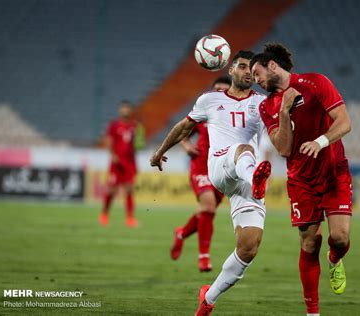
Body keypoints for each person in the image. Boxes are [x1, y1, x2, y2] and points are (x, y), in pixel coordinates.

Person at [150, 51, 271, 316]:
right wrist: (159, 152)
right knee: (242, 149)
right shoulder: (210, 100)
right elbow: (184, 127)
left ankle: (208, 299)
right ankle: (256, 178)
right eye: (241, 66)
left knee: (249, 247)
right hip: (221, 166)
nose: (247, 72)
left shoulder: (263, 104)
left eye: (251, 68)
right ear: (231, 70)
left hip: (247, 180)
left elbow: (276, 138)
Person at [251, 44, 353, 316]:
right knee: (309, 243)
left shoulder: (316, 82)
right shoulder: (267, 106)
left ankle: (335, 259)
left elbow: (344, 122)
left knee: (340, 238)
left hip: (334, 172)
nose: (256, 80)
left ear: (272, 65)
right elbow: (283, 149)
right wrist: (284, 112)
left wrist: (320, 142)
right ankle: (312, 313)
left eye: (257, 73)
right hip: (301, 181)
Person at [171, 76, 231, 272]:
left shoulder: (234, 115)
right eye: (217, 89)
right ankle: (204, 257)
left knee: (206, 212)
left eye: (224, 90)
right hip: (201, 167)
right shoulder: (203, 112)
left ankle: (181, 234)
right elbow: (183, 133)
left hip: (223, 170)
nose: (220, 92)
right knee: (209, 207)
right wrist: (187, 145)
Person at [100, 100, 145, 228]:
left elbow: (138, 144)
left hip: (130, 162)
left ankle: (130, 218)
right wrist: (112, 155)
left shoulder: (134, 126)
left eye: (127, 108)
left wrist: (140, 139)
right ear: (120, 110)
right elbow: (109, 140)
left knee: (129, 190)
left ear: (130, 111)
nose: (125, 110)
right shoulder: (114, 125)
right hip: (116, 162)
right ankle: (104, 214)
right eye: (123, 108)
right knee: (112, 190)